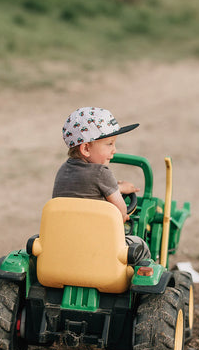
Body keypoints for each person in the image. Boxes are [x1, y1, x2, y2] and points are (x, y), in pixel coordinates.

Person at [52, 106, 150, 258]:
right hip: (99, 244)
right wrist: (123, 212)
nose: (114, 150)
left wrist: (118, 188)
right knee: (140, 245)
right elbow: (121, 211)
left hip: (66, 241)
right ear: (86, 148)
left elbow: (84, 190)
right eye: (109, 144)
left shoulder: (63, 170)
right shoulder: (102, 173)